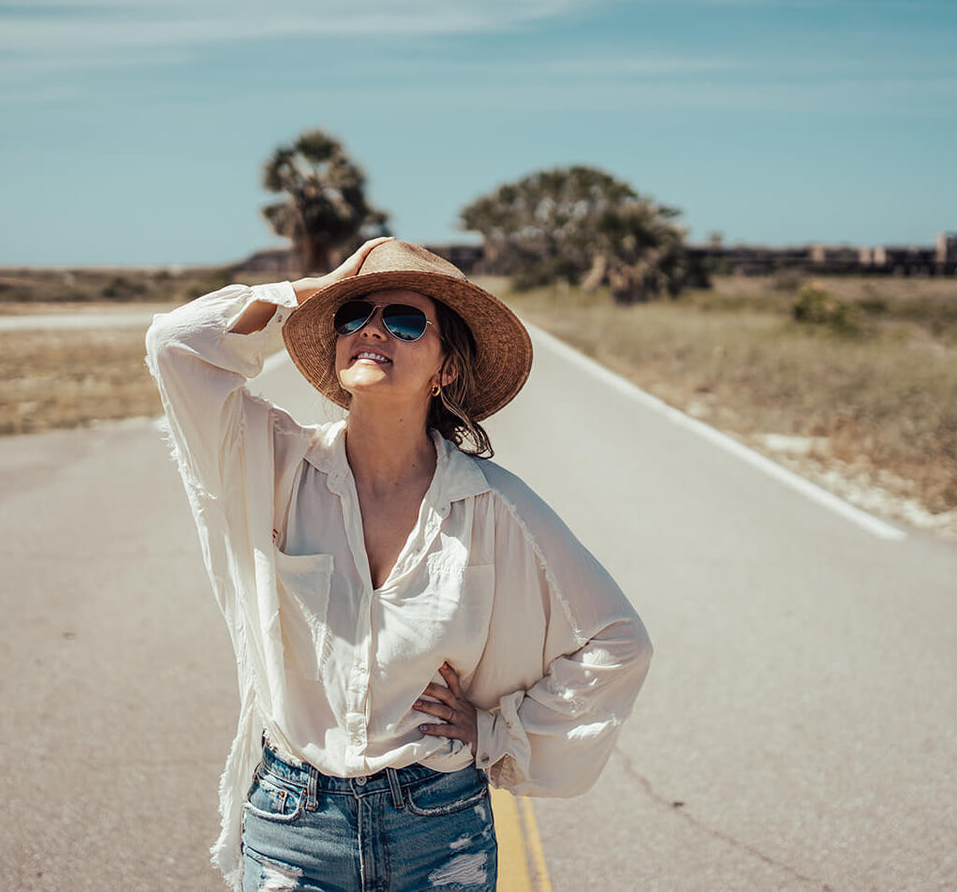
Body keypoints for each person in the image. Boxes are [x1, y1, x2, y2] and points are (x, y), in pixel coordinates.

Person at [145, 238, 651, 892]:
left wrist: (498, 734)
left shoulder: (493, 506)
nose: (374, 328)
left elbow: (617, 641)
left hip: (437, 825)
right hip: (292, 822)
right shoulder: (274, 467)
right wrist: (316, 288)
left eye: (406, 321)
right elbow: (175, 347)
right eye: (353, 317)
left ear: (446, 369)